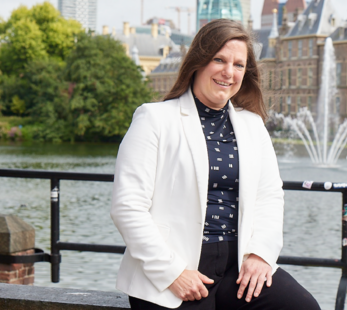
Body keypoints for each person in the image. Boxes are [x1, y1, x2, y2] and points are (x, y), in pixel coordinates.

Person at [111, 19, 319, 310]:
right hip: (173, 268)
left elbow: (269, 196)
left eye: (238, 65)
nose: (228, 72)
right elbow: (127, 206)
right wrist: (173, 273)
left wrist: (260, 255)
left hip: (237, 266)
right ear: (198, 61)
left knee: (302, 308)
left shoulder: (252, 125)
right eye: (219, 60)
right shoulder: (154, 119)